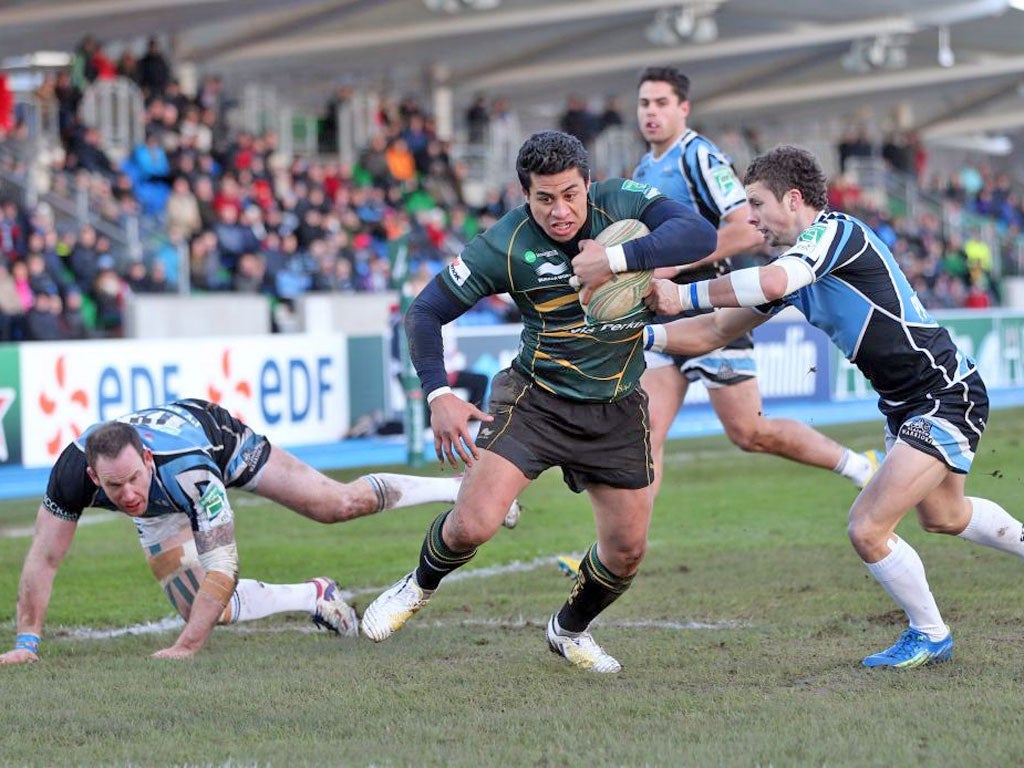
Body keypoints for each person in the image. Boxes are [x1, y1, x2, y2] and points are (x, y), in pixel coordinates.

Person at [643, 144, 1020, 668]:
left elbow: (768, 283)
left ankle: (931, 634)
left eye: (757, 204)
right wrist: (641, 337)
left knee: (867, 527)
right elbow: (712, 332)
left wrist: (681, 295)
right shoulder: (792, 268)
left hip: (944, 395)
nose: (751, 218)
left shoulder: (835, 234)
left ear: (794, 199)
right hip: (907, 404)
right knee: (945, 516)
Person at [359, 130, 717, 673]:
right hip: (535, 399)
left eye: (570, 194)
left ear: (588, 184)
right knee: (473, 524)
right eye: (544, 198)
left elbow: (699, 234)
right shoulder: (505, 243)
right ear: (524, 195)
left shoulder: (621, 201)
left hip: (617, 404)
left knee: (626, 552)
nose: (560, 211)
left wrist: (614, 260)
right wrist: (438, 393)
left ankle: (569, 630)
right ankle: (418, 585)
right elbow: (424, 311)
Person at [0, 398, 518, 665]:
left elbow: (224, 565)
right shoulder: (71, 474)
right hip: (165, 496)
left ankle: (459, 488)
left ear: (148, 459)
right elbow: (44, 558)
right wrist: (27, 641)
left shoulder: (189, 471)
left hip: (220, 442)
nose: (128, 493)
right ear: (94, 479)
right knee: (206, 607)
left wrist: (187, 647)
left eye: (135, 478)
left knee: (336, 504)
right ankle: (315, 595)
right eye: (115, 486)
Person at [633, 66, 881, 503]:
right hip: (660, 308)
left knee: (750, 432)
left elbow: (747, 229)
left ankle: (860, 465)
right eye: (644, 103)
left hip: (712, 304)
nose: (651, 112)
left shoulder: (699, 157)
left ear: (683, 108)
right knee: (643, 432)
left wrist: (672, 267)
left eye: (661, 103)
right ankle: (624, 543)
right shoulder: (642, 169)